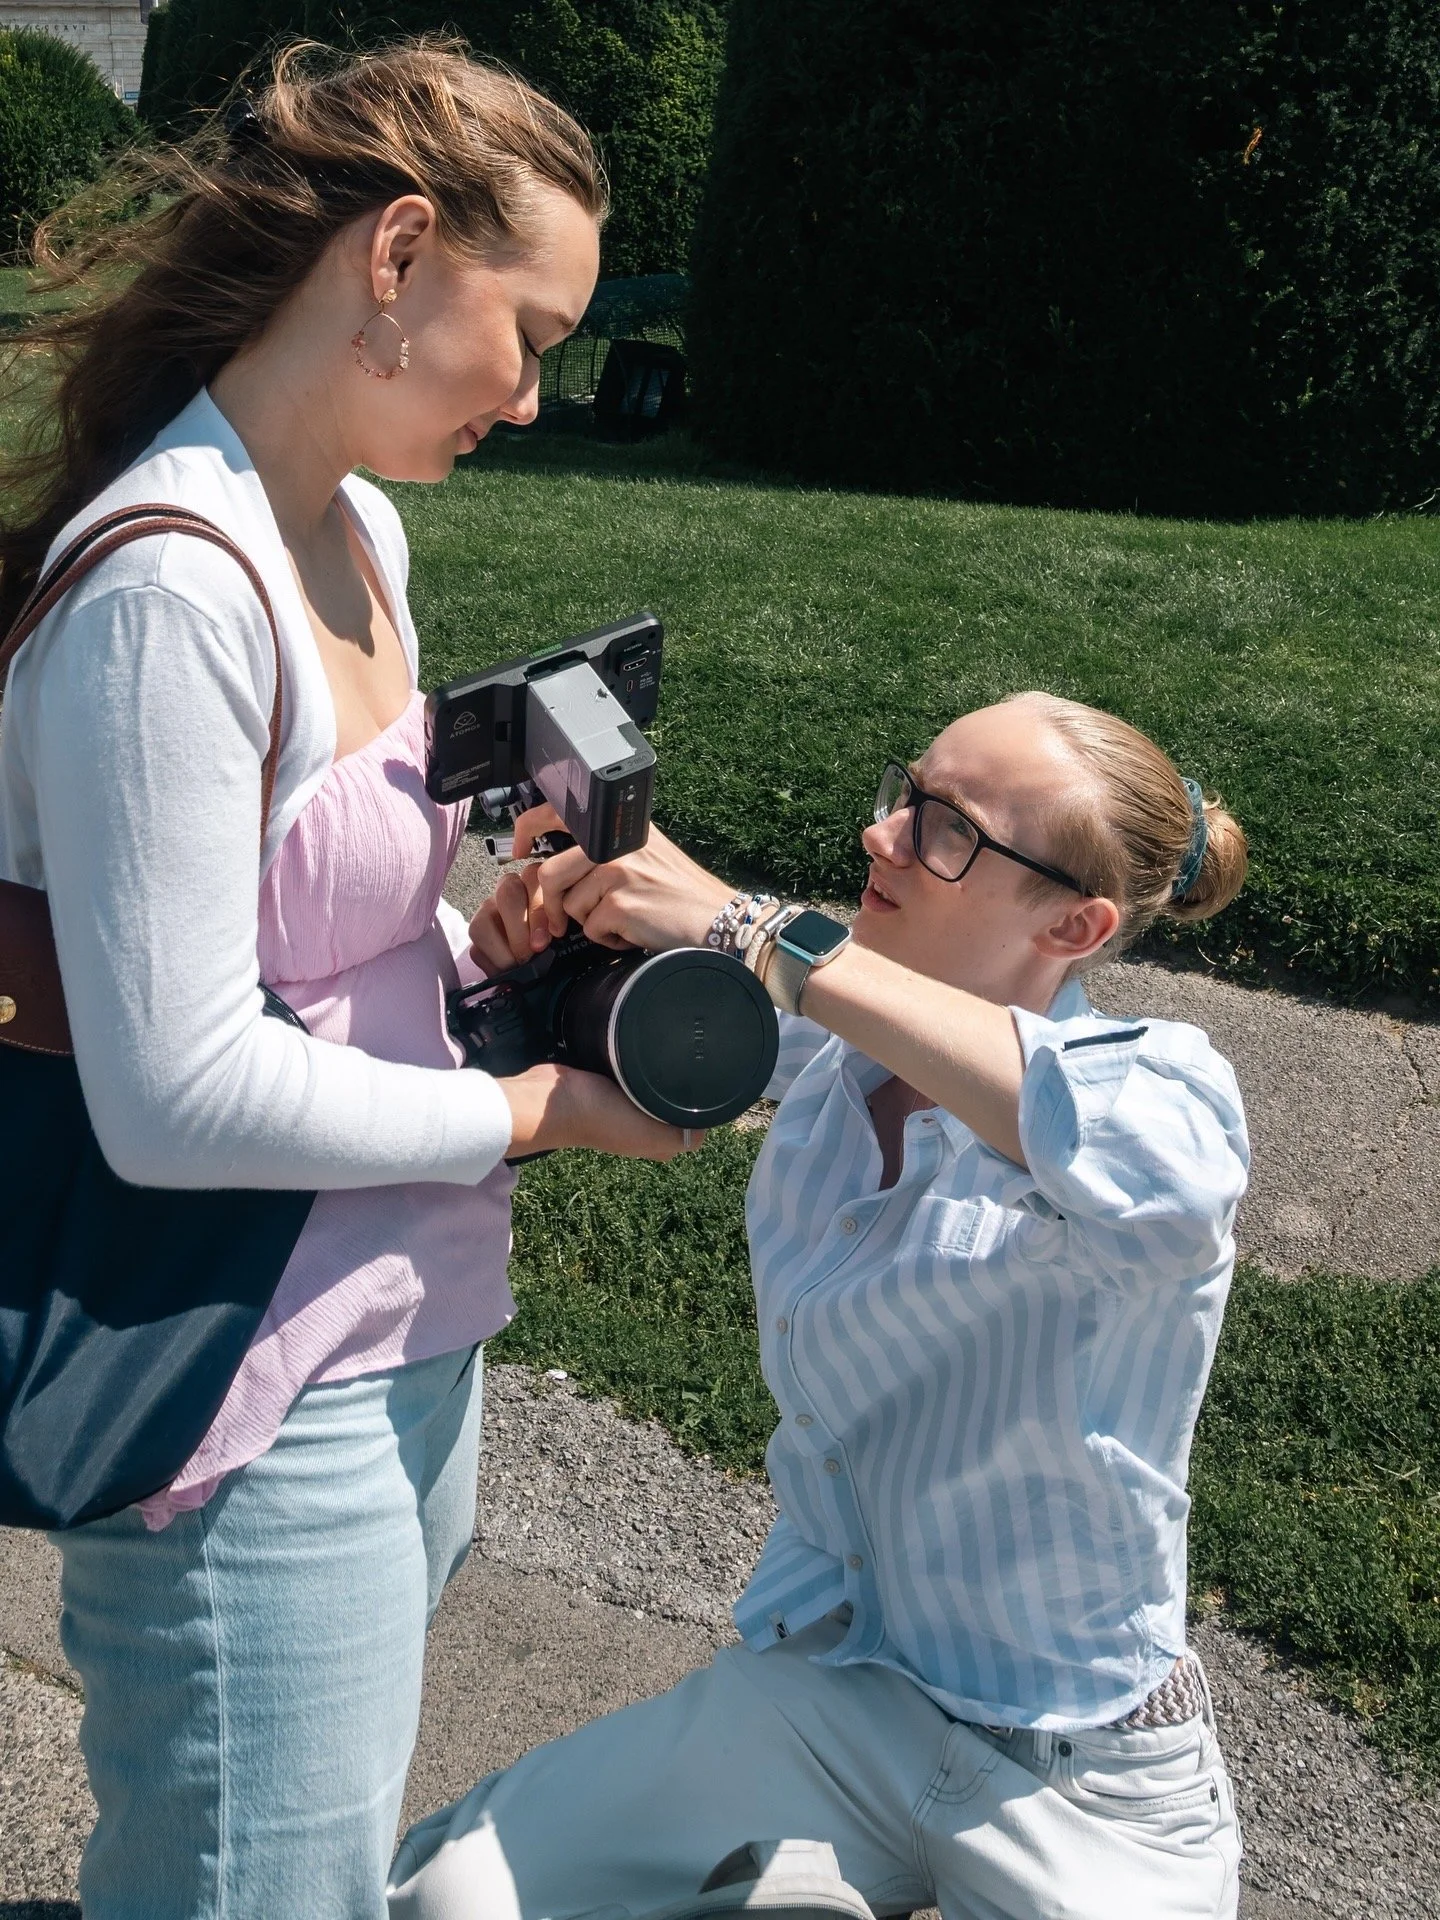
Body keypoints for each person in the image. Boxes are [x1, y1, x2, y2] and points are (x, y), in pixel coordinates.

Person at [0, 41, 694, 1920]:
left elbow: (319, 940)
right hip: (242, 1370)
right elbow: (175, 1097)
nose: (538, 397)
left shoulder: (360, 532)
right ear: (398, 257)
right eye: (527, 331)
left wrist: (483, 940)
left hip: (410, 1311)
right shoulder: (170, 595)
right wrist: (532, 1109)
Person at [388, 692, 1253, 1920]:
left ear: (1079, 921)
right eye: (908, 795)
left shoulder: (1162, 1098)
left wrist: (747, 925)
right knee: (447, 1899)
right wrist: (539, 952)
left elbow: (1096, 1136)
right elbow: (600, 1042)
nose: (883, 837)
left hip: (1086, 1778)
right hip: (845, 1690)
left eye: (949, 830)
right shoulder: (830, 1058)